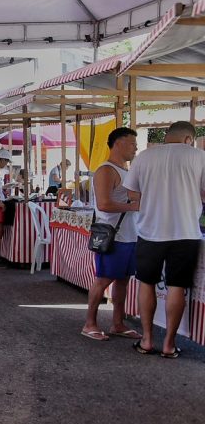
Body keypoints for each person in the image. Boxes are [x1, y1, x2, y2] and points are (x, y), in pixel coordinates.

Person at [124, 121, 205, 358]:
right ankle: (169, 344)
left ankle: (147, 340)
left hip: (150, 230)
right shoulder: (199, 157)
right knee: (177, 287)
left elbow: (131, 193)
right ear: (188, 139)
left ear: (167, 136)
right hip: (186, 232)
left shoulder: (145, 157)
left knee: (146, 283)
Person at [82, 127, 141, 341]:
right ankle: (90, 323)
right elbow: (105, 204)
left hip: (129, 235)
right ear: (118, 143)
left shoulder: (127, 170)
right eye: (132, 143)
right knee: (103, 280)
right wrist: (134, 206)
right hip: (113, 237)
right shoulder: (106, 170)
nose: (136, 147)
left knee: (123, 280)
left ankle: (117, 323)